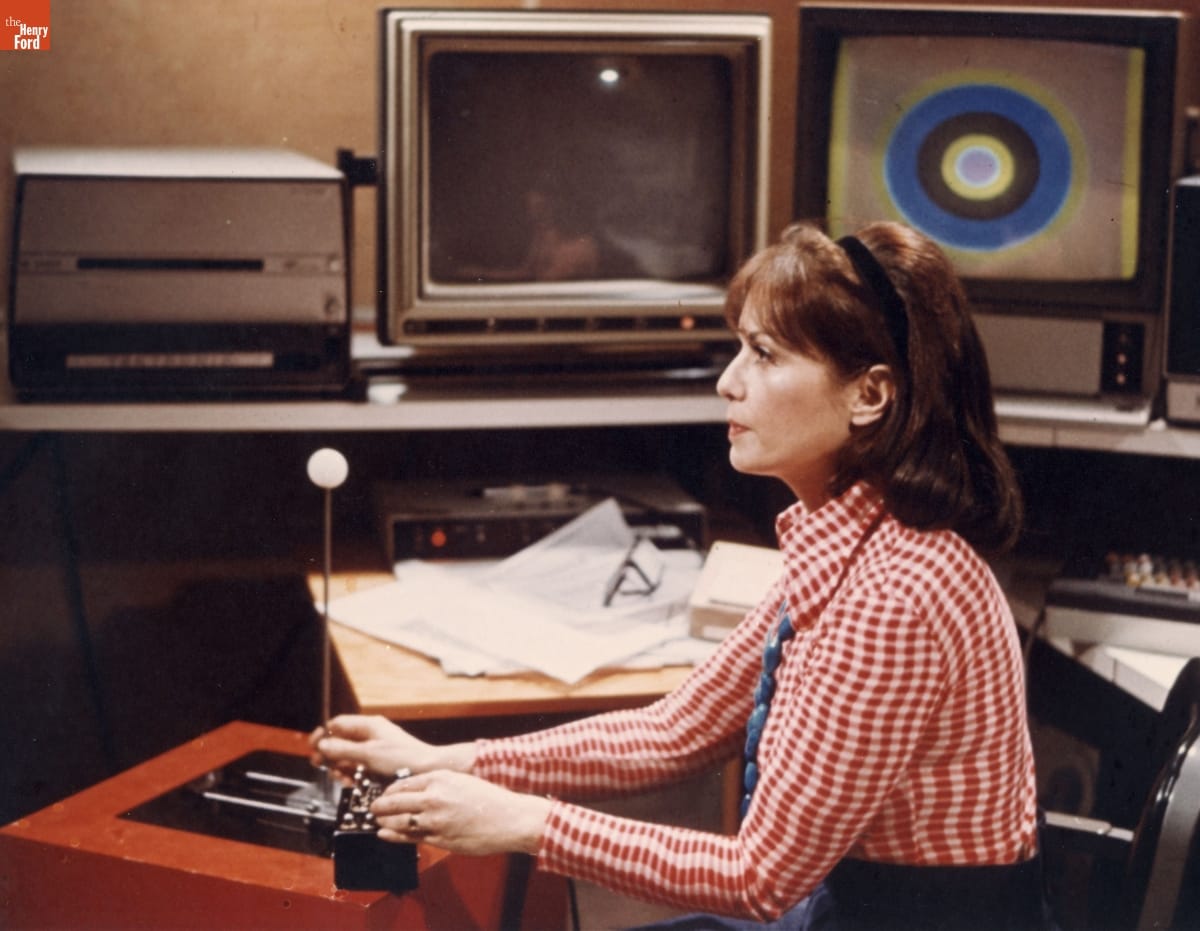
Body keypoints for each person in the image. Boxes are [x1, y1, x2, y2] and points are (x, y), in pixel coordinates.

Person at [311, 221, 1047, 930]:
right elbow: (678, 729)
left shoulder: (895, 597)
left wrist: (526, 822)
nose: (729, 382)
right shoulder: (850, 542)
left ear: (869, 395)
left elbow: (761, 877)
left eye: (764, 354)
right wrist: (453, 757)